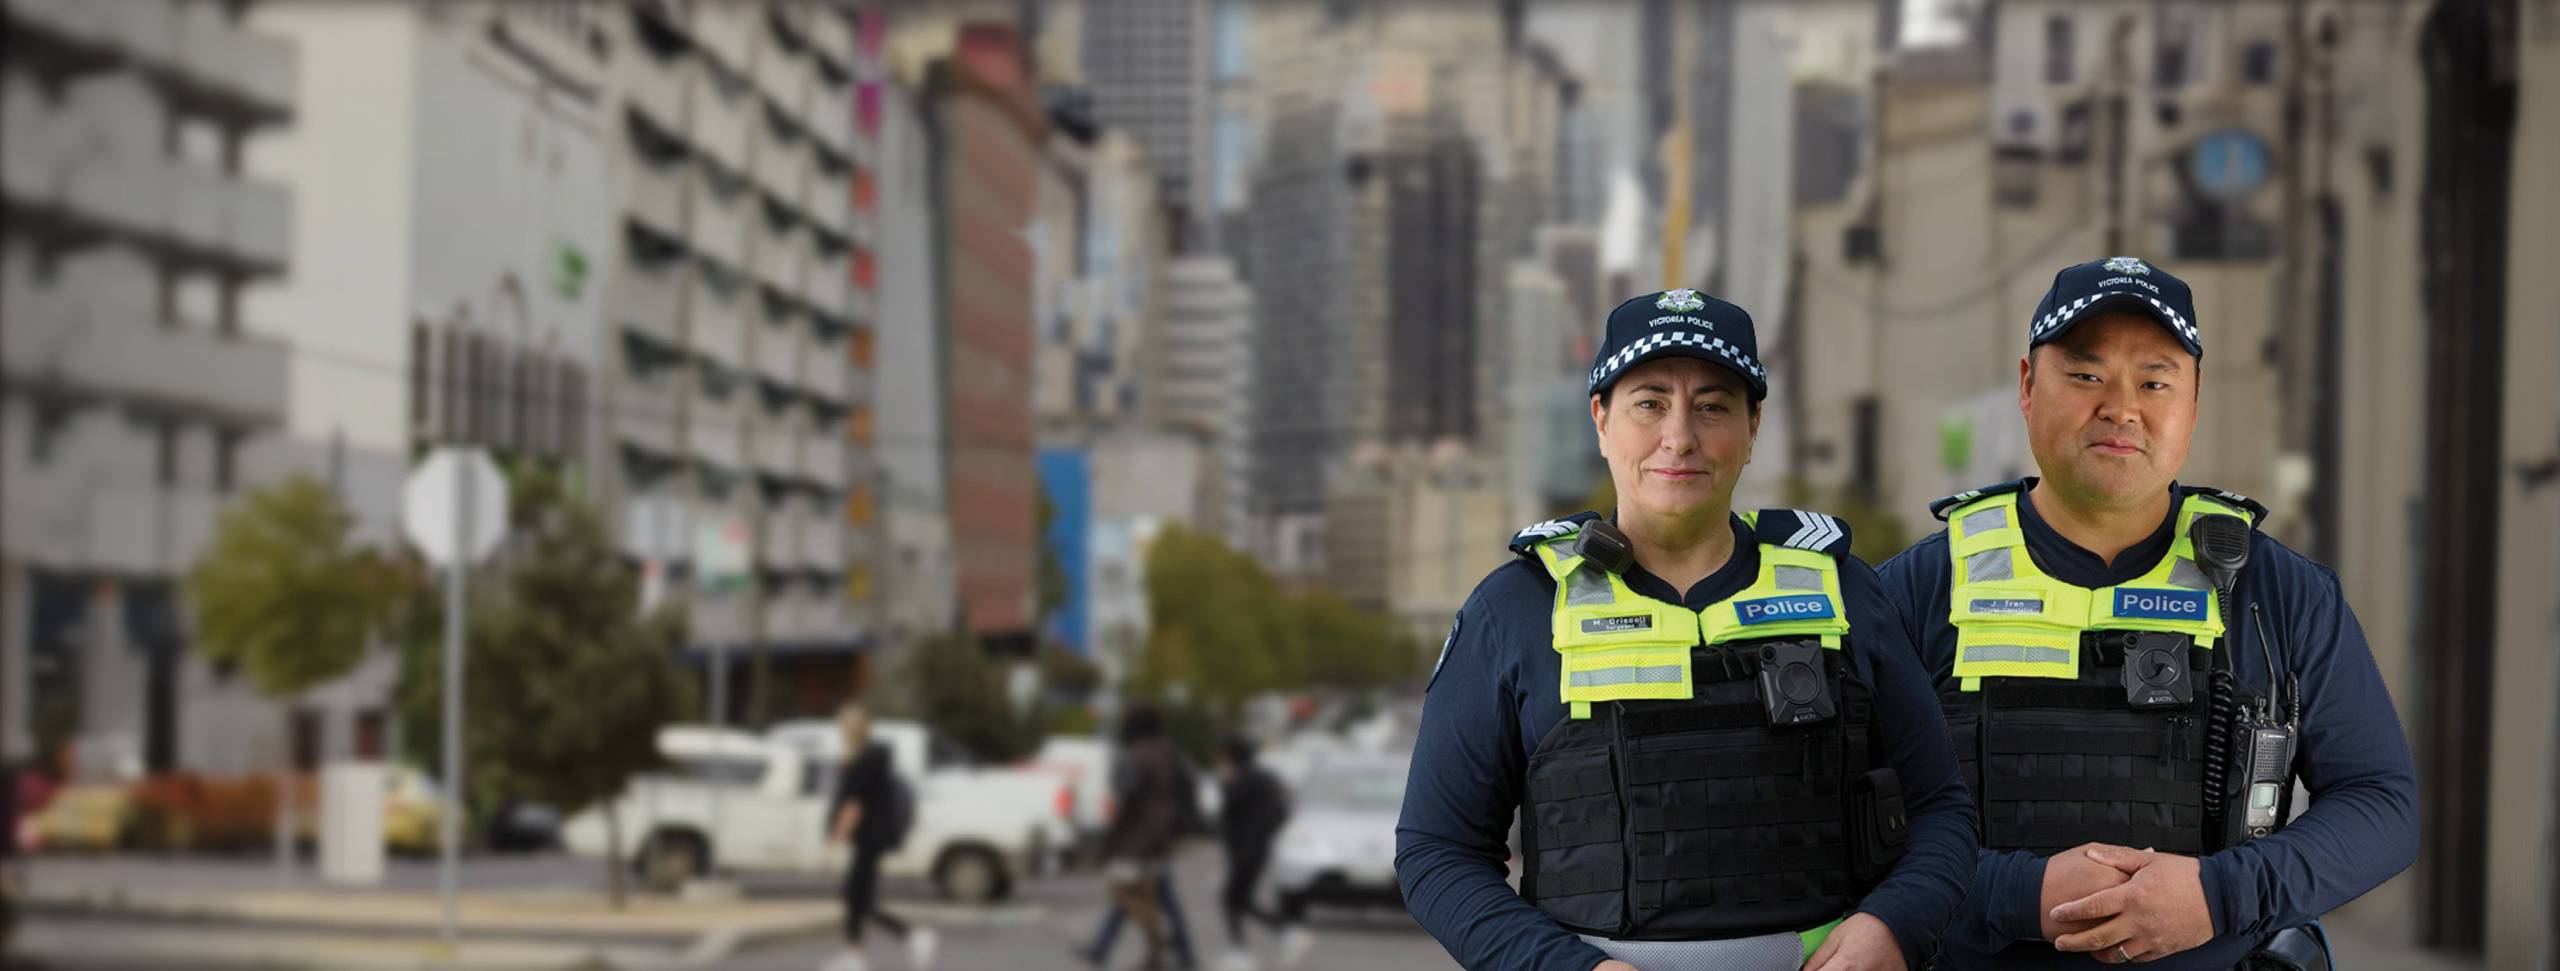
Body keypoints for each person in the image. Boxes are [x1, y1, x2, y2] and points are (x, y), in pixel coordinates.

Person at [1397, 289, 1978, 971]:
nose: (1680, 436)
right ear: (1601, 418)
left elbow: (1942, 809)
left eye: (1712, 405)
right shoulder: (1514, 610)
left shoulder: (1845, 592)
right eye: (1649, 402)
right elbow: (1436, 853)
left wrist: (1893, 924)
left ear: (1753, 425)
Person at [1877, 257, 2419, 969]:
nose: (2120, 407)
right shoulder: (1918, 588)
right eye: (2085, 374)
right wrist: (2019, 892)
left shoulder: (2277, 592)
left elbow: (2382, 806)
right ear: (2026, 386)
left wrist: (2216, 895)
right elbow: (1834, 819)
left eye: (2155, 381)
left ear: (2193, 404)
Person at [1082, 706, 1197, 971]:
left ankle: (1154, 950)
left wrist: (1107, 844)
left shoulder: (1137, 756)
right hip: (1162, 835)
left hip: (1137, 840)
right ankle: (1105, 947)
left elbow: (1128, 804)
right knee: (1159, 894)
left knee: (1126, 894)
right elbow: (1187, 787)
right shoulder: (1171, 752)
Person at [825, 700, 938, 971]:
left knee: (856, 896)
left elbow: (853, 805)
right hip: (872, 839)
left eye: (846, 724)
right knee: (858, 897)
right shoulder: (870, 756)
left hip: (869, 839)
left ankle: (902, 940)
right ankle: (868, 951)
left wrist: (834, 841)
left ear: (852, 728)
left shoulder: (865, 759)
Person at [1212, 735, 1311, 971]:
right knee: (1238, 899)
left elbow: (1229, 805)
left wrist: (1224, 781)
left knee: (1231, 898)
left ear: (1231, 757)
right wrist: (1266, 831)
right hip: (1257, 846)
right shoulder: (1265, 778)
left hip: (1245, 847)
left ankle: (1242, 952)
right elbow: (1283, 811)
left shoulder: (1241, 779)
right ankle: (1285, 933)